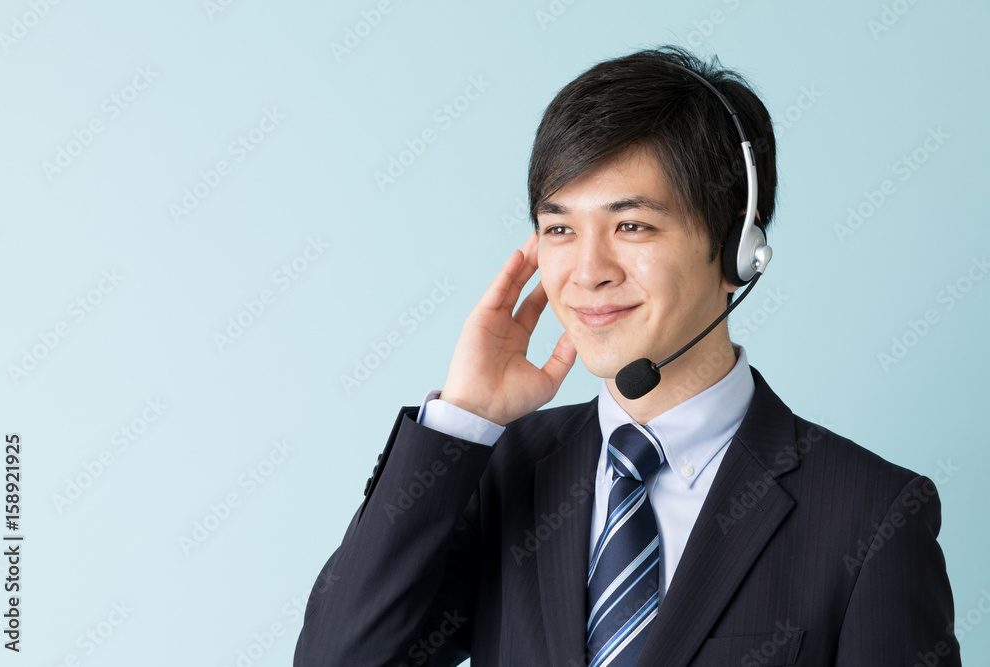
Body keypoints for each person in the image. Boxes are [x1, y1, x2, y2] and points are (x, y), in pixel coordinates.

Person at [294, 46, 960, 666]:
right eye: (560, 229)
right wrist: (464, 416)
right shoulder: (502, 475)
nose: (588, 271)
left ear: (738, 250)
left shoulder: (872, 517)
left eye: (632, 225)